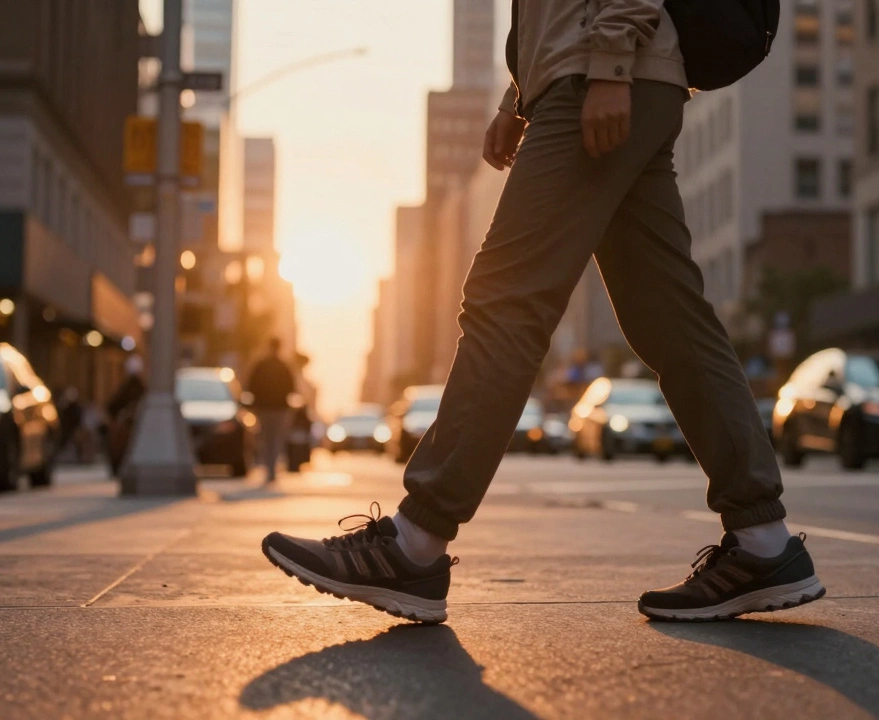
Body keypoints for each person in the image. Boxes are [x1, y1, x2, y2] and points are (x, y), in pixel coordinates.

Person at [261, 0, 824, 625]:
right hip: (615, 70)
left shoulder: (606, 61)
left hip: (603, 70)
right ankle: (762, 542)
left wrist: (609, 63)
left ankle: (415, 542)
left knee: (507, 300)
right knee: (667, 318)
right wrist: (517, 96)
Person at [247, 337, 296, 483]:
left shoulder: (261, 365)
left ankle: (269, 468)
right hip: (279, 408)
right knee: (275, 439)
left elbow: (251, 385)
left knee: (266, 438)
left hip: (265, 407)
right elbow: (291, 387)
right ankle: (271, 469)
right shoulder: (283, 366)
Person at [104, 355, 146, 475]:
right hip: (131, 423)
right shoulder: (140, 387)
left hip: (132, 423)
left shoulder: (129, 387)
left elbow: (111, 406)